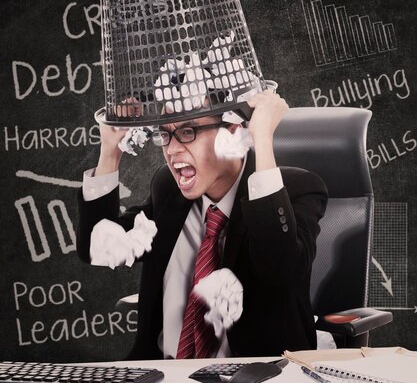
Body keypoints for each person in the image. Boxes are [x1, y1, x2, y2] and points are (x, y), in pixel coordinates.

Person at [76, 90, 328, 359]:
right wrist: (110, 151)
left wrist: (262, 140)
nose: (172, 150)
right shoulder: (168, 190)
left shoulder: (298, 190)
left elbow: (280, 271)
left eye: (188, 132)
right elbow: (96, 249)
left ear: (231, 131)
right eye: (165, 134)